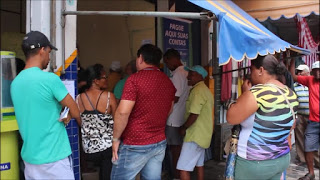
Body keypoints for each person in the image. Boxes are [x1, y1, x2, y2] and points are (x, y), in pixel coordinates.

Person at [10, 31, 81, 179]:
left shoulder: (15, 83)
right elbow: (75, 110)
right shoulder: (50, 79)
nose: (49, 57)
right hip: (54, 159)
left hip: (30, 159)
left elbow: (37, 109)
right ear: (42, 50)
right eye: (49, 52)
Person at [227, 55, 298, 180]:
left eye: (252, 70)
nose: (250, 74)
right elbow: (291, 125)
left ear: (260, 70)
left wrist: (244, 94)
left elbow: (231, 117)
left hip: (255, 162)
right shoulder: (289, 93)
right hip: (281, 158)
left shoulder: (257, 93)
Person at [111, 44, 176, 180]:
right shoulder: (167, 81)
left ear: (140, 58)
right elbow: (170, 109)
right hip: (158, 142)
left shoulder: (134, 80)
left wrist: (116, 138)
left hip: (135, 143)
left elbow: (122, 113)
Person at [76, 63, 117, 180]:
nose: (107, 80)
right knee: (106, 175)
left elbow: (80, 123)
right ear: (96, 80)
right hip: (107, 147)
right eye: (104, 77)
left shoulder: (79, 98)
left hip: (89, 149)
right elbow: (117, 121)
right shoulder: (109, 96)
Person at [176, 65, 214, 180]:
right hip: (203, 135)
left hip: (194, 136)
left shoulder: (198, 91)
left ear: (200, 76)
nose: (188, 77)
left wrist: (183, 127)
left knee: (183, 168)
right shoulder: (204, 89)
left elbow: (194, 114)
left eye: (191, 74)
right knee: (199, 164)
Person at [290, 60, 320, 180]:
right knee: (308, 146)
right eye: (316, 70)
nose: (318, 73)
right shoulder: (310, 80)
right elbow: (293, 76)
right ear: (312, 72)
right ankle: (311, 173)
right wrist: (292, 59)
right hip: (313, 121)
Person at [163, 48, 190, 179]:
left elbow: (176, 96)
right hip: (181, 116)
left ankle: (176, 176)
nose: (167, 66)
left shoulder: (178, 74)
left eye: (167, 63)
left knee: (175, 151)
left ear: (173, 59)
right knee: (178, 149)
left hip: (174, 119)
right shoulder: (185, 72)